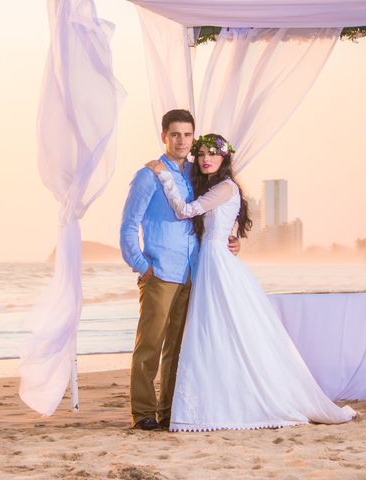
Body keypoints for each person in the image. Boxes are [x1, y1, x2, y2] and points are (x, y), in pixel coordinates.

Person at [145, 133, 356, 431]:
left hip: (216, 264)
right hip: (210, 260)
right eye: (202, 153)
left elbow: (184, 211)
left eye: (212, 154)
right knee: (215, 331)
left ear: (224, 158)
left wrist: (165, 176)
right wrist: (231, 240)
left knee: (219, 329)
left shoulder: (225, 187)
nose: (206, 159)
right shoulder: (215, 187)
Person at [119, 110, 239, 431]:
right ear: (164, 136)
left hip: (193, 272)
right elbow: (128, 227)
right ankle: (143, 412)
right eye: (175, 134)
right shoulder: (148, 176)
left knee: (178, 347)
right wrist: (143, 267)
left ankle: (169, 411)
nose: (182, 141)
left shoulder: (197, 176)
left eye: (187, 135)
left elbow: (218, 211)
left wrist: (231, 238)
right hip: (160, 272)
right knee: (150, 346)